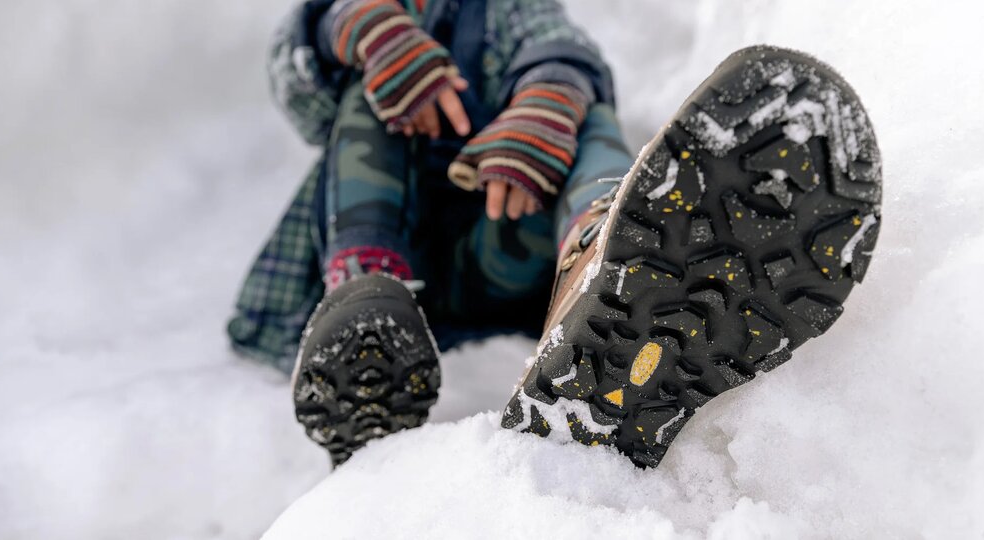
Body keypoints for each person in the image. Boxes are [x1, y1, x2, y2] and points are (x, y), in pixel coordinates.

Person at [229, 0, 883, 469]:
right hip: (402, 275)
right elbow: (301, 89)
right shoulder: (342, 20)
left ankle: (599, 256)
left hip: (507, 249)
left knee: (585, 113)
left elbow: (559, 42)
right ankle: (361, 306)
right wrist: (353, 23)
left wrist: (549, 97)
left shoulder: (506, 13)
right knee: (363, 105)